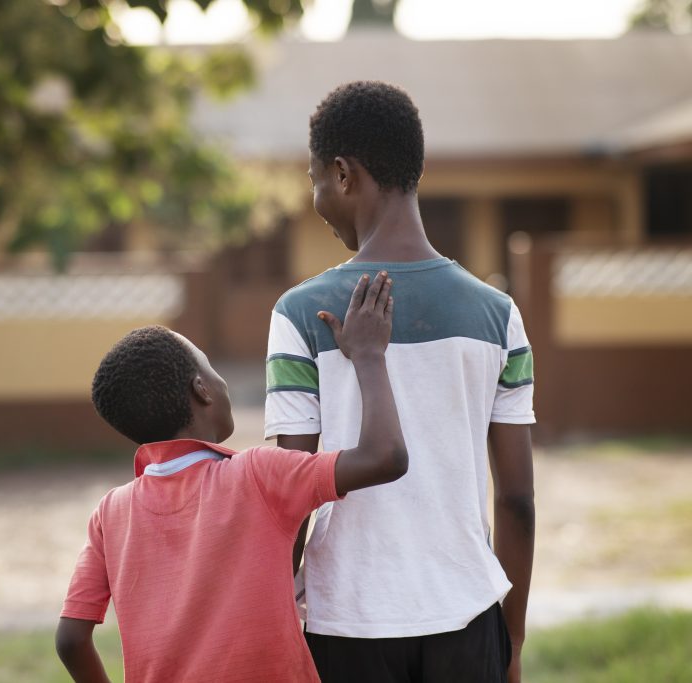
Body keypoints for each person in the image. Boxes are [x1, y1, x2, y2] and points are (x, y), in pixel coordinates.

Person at [265, 80, 536, 683]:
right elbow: (517, 501)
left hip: (346, 621)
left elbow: (290, 500)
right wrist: (511, 643)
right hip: (467, 616)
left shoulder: (299, 315)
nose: (316, 197)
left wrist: (278, 628)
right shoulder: (499, 315)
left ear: (342, 173)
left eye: (314, 180)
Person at [56, 272, 408, 683]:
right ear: (202, 389)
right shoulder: (258, 473)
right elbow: (385, 456)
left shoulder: (110, 513)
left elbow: (70, 639)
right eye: (211, 365)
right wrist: (368, 355)